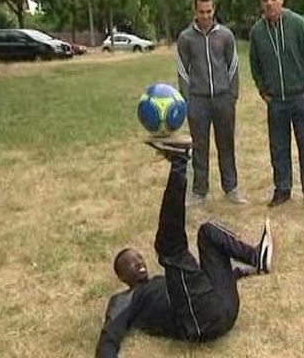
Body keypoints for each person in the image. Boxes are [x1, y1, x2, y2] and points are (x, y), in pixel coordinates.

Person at [95, 136, 274, 358]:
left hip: (225, 305)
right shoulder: (124, 299)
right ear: (122, 277)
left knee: (207, 232)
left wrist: (239, 273)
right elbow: (110, 335)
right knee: (169, 248)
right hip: (202, 321)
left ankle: (256, 257)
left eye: (139, 258)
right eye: (130, 263)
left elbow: (203, 280)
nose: (139, 262)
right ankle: (179, 161)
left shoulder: (164, 281)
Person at [249, 0, 304, 213]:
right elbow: (255, 65)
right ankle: (282, 189)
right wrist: (263, 90)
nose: (269, 3)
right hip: (276, 102)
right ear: (261, 4)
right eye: (265, 0)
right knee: (279, 148)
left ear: (282, 0)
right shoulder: (257, 32)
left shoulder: (297, 24)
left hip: (300, 97)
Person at [176, 0, 246, 206]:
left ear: (213, 9)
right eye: (201, 12)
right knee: (199, 146)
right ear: (195, 11)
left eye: (209, 11)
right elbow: (182, 69)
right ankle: (199, 191)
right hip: (198, 100)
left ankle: (231, 188)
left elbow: (233, 66)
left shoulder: (225, 35)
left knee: (226, 144)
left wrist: (232, 94)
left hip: (223, 98)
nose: (205, 16)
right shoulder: (185, 37)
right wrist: (187, 99)